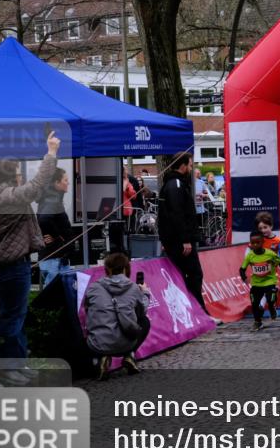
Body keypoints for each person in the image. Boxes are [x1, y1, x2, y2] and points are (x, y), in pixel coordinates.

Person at [0, 132, 59, 359]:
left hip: (7, 264)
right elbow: (35, 187)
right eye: (16, 173)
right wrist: (51, 153)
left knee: (16, 315)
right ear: (7, 177)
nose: (20, 177)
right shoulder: (3, 196)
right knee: (12, 317)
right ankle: (9, 367)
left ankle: (18, 361)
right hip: (11, 266)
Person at [158, 152, 211, 317]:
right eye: (189, 165)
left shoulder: (174, 184)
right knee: (194, 274)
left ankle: (195, 311)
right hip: (179, 242)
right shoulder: (175, 185)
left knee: (190, 274)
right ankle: (199, 313)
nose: (191, 168)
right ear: (182, 166)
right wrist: (185, 239)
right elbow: (177, 214)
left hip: (175, 240)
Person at [84, 252, 151, 380]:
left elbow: (87, 310)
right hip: (126, 343)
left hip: (98, 344)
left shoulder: (93, 287)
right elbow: (142, 312)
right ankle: (129, 355)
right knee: (145, 322)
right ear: (126, 269)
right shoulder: (134, 288)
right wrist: (145, 293)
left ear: (107, 269)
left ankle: (100, 359)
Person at [36, 167, 75, 288]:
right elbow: (43, 219)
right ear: (56, 183)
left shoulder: (53, 199)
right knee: (54, 297)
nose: (68, 182)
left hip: (58, 257)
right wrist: (58, 237)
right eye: (65, 180)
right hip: (54, 258)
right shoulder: (51, 200)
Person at [240, 233, 280, 331]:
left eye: (258, 242)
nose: (255, 245)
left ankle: (272, 308)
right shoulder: (250, 256)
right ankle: (258, 322)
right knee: (254, 304)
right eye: (253, 243)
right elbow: (242, 269)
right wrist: (244, 278)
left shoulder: (270, 254)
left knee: (270, 299)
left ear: (263, 242)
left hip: (269, 281)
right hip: (256, 283)